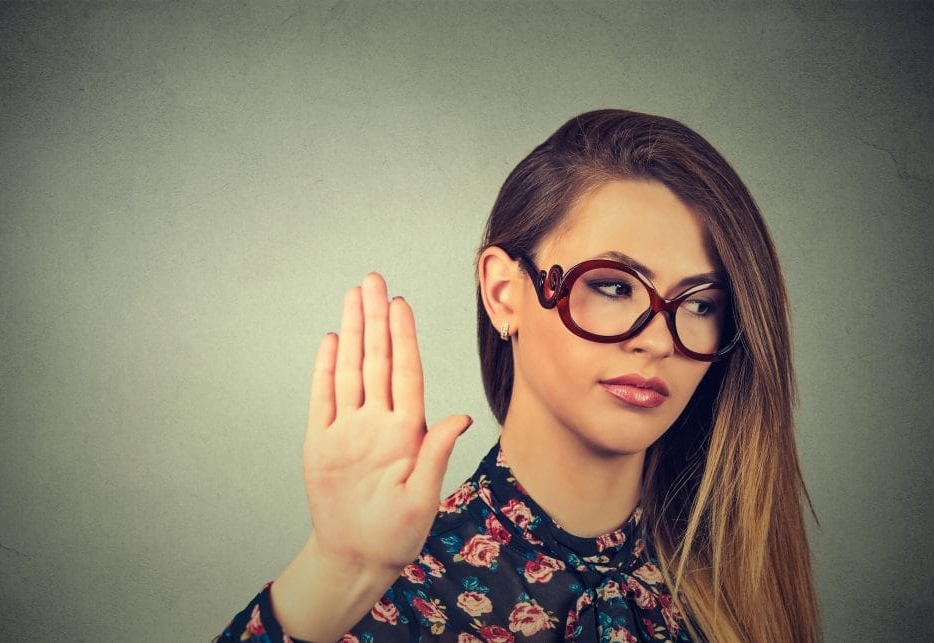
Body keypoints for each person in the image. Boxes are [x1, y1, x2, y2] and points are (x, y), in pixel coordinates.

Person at [215, 110, 819, 642]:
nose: (659, 340)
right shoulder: (393, 592)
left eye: (700, 304)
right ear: (504, 293)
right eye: (611, 285)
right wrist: (336, 571)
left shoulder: (740, 581)